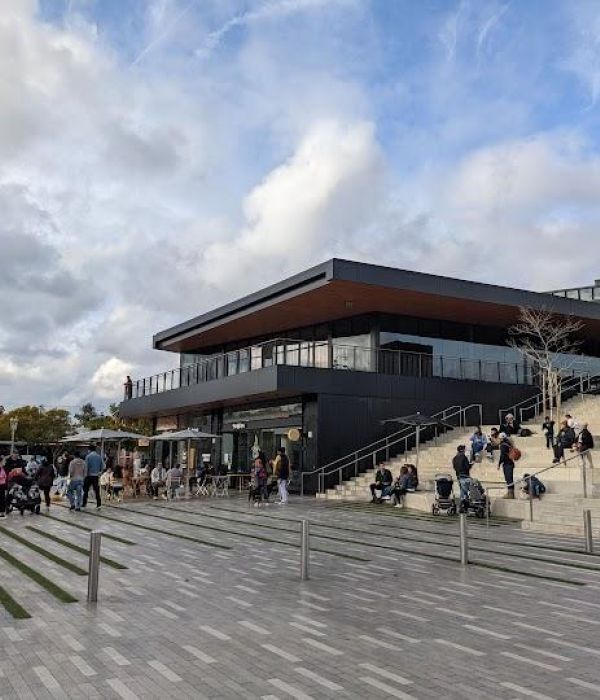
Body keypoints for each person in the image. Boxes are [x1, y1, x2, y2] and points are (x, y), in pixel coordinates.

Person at [498, 434, 515, 498]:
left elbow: (502, 456)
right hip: (510, 463)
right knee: (510, 479)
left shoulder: (503, 445)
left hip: (507, 464)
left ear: (501, 439)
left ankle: (510, 494)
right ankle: (511, 493)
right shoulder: (508, 444)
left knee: (508, 479)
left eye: (499, 438)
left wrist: (499, 464)